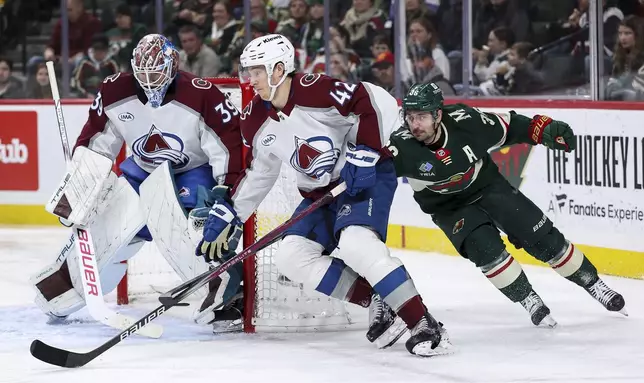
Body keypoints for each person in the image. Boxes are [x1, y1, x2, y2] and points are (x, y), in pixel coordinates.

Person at [195, 34, 450, 357]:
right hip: (320, 194)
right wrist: (229, 211)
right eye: (248, 71)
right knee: (292, 257)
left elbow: (373, 100)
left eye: (257, 71)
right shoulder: (254, 120)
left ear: (278, 70)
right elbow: (259, 173)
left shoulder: (315, 90)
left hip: (361, 179)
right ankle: (376, 297)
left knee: (357, 244)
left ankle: (424, 323)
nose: (250, 79)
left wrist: (366, 152)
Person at [30, 34, 245, 330]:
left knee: (192, 227)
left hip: (192, 171)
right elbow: (96, 141)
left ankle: (227, 293)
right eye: (142, 74)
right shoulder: (114, 89)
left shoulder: (202, 94)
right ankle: (69, 287)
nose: (149, 81)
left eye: (156, 73)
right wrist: (79, 189)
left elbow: (227, 148)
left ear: (172, 67)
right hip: (140, 172)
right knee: (105, 232)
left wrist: (224, 193)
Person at [386, 82, 627, 327]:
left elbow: (509, 126)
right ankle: (528, 298)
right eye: (410, 117)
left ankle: (595, 284)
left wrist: (541, 130)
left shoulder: (466, 121)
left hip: (488, 187)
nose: (415, 125)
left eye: (422, 117)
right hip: (449, 208)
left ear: (438, 114)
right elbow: (374, 174)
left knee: (542, 237)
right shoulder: (400, 146)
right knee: (485, 249)